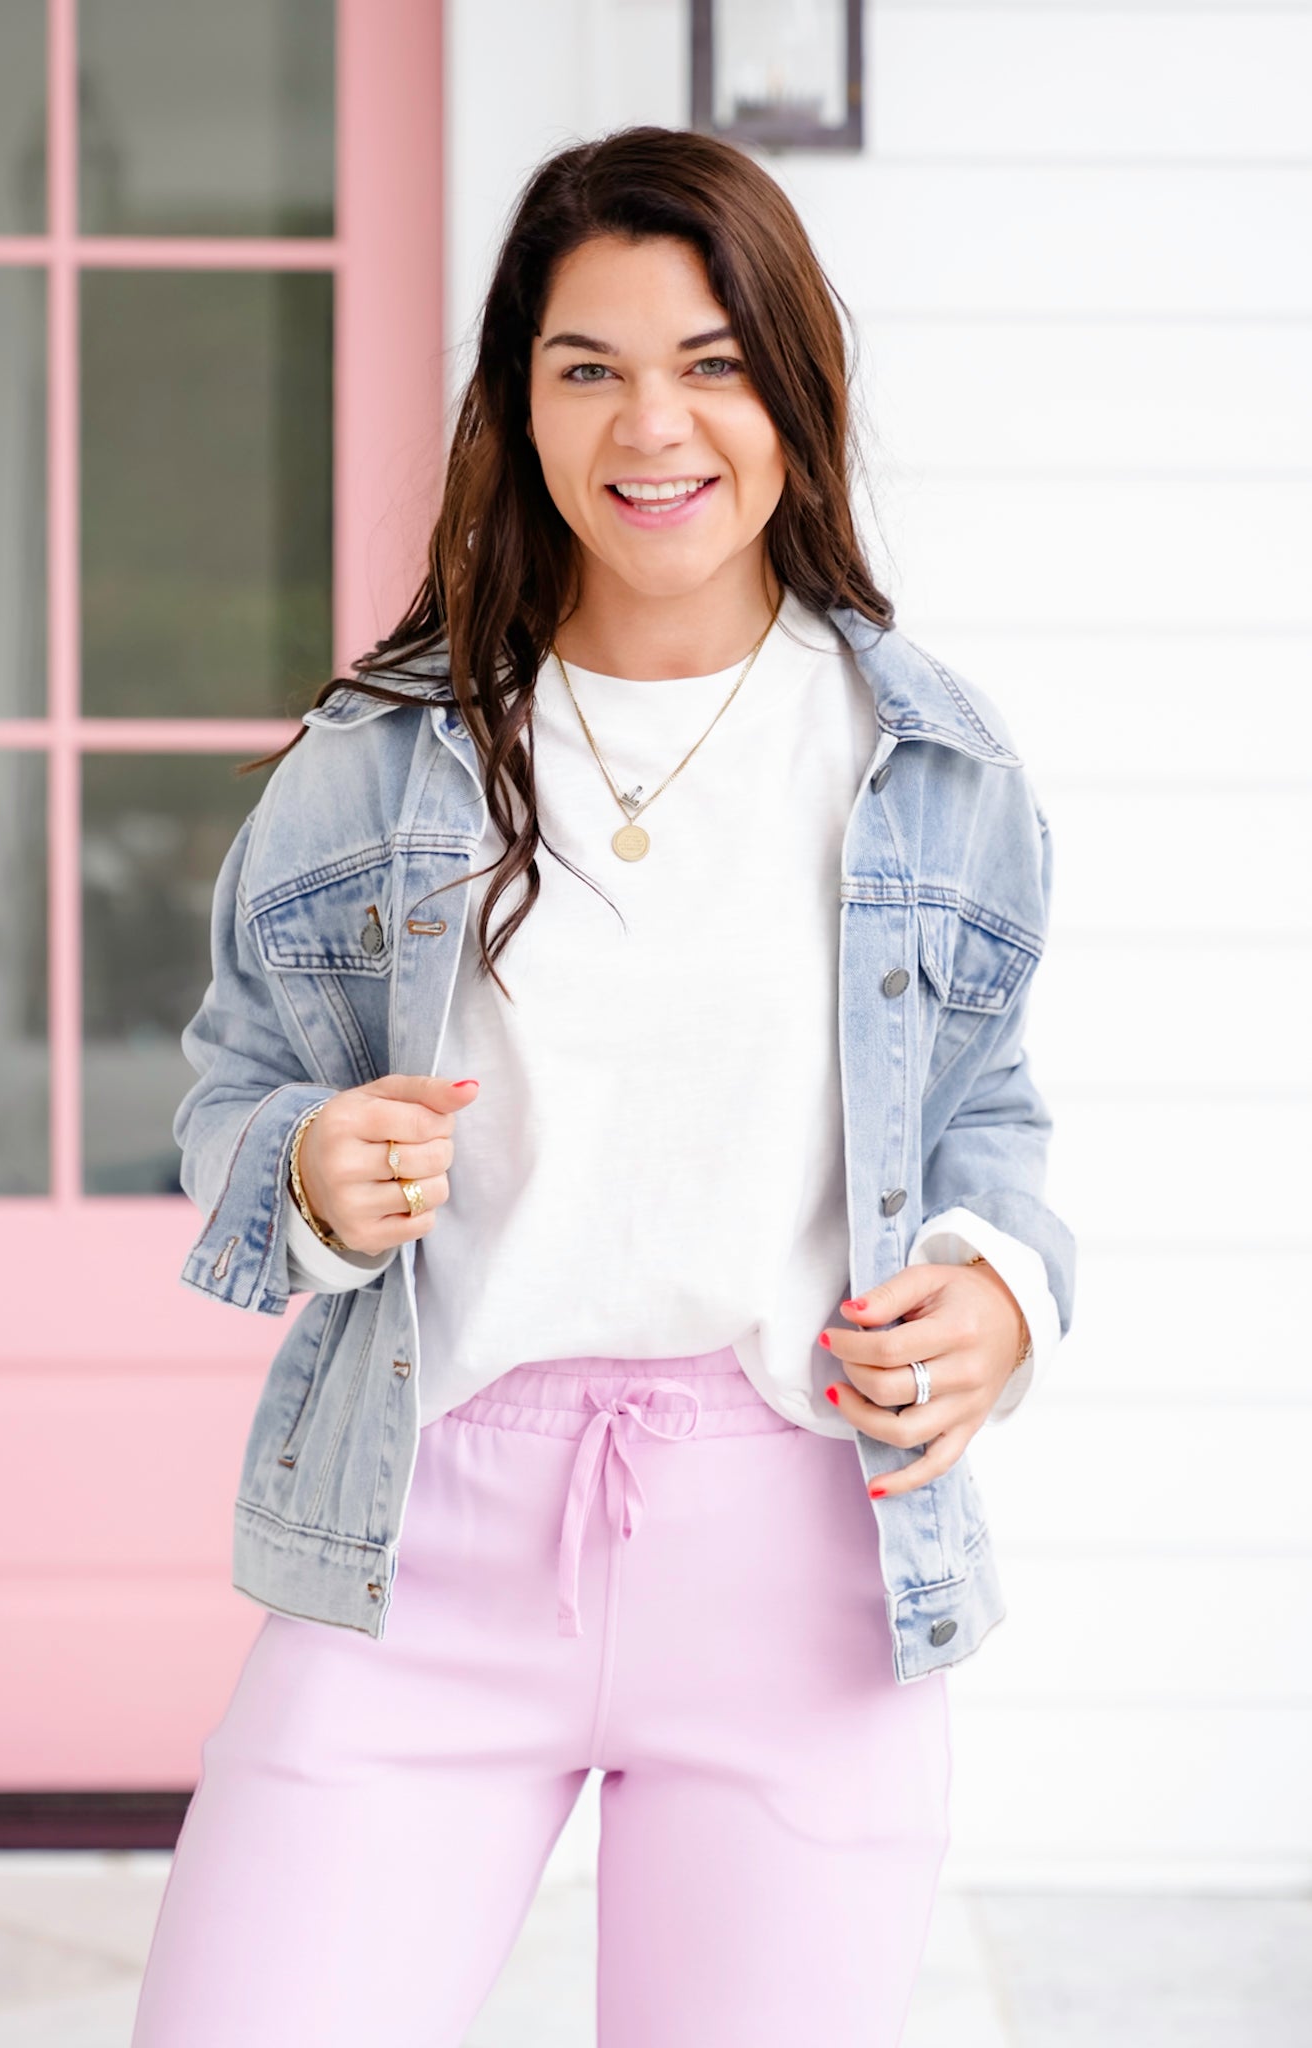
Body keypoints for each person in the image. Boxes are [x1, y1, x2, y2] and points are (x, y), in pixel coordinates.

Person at [131, 125, 1074, 2048]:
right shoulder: (382, 757)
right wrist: (305, 1175)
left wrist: (1000, 1294)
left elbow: (981, 1120)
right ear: (515, 402)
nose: (655, 425)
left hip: (800, 1558)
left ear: (792, 392)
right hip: (424, 1543)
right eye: (590, 367)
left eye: (713, 361)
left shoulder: (932, 768)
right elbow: (233, 1093)